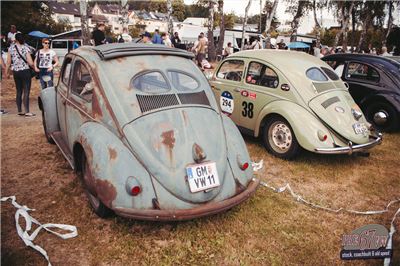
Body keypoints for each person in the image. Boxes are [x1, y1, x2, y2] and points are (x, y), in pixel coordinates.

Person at [5, 33, 35, 117]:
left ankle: (19, 110)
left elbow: (8, 62)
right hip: (25, 71)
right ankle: (27, 111)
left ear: (15, 39)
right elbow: (30, 62)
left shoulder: (11, 48)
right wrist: (34, 68)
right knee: (26, 91)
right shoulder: (25, 48)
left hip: (16, 72)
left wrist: (6, 73)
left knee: (18, 91)